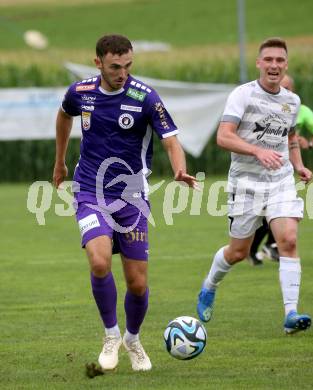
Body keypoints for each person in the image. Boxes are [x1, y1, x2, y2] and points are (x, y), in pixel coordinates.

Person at [53, 34, 196, 372]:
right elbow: (63, 116)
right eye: (115, 66)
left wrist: (180, 169)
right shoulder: (81, 93)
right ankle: (111, 335)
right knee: (99, 262)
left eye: (128, 65)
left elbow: (171, 139)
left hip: (132, 196)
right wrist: (59, 161)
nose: (123, 72)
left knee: (138, 282)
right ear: (98, 62)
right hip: (90, 190)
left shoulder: (145, 97)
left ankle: (132, 338)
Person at [196, 37, 313, 334]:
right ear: (259, 63)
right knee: (237, 252)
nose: (274, 65)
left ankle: (291, 315)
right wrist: (257, 151)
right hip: (245, 183)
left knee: (288, 240)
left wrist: (298, 165)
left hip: (280, 181)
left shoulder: (292, 100)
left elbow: (290, 139)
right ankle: (209, 285)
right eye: (269, 60)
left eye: (280, 60)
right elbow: (224, 137)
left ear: (286, 65)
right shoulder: (242, 95)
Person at [249, 74, 313, 265]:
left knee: (281, 211)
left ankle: (272, 246)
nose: (283, 91)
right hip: (260, 169)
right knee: (262, 214)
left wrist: (308, 144)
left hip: (285, 169)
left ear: (293, 90)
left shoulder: (301, 110)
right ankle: (252, 250)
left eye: (287, 88)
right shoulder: (262, 107)